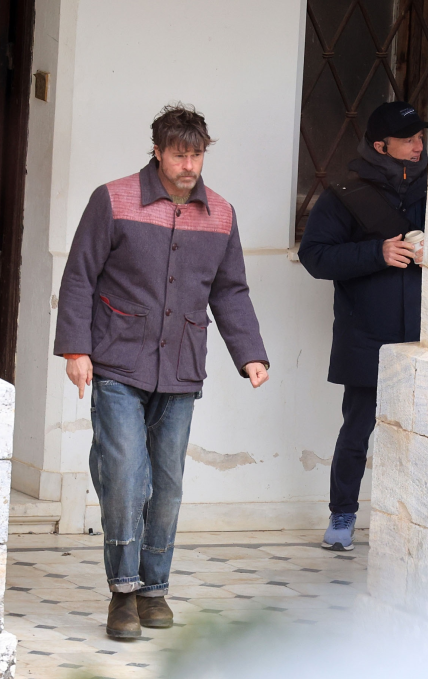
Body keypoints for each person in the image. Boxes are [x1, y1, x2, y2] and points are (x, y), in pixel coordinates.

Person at [53, 103, 270, 639]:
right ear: (157, 151)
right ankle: (123, 593)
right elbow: (80, 276)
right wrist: (75, 348)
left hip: (179, 368)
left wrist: (251, 352)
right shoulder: (114, 199)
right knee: (126, 478)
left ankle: (155, 589)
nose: (188, 165)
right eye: (179, 154)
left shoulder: (220, 213)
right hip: (117, 360)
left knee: (167, 487)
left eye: (196, 155)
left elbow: (229, 289)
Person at [298, 101, 428, 552]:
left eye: (420, 136)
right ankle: (342, 517)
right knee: (357, 431)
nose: (418, 145)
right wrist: (377, 253)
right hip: (367, 336)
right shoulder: (344, 193)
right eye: (408, 139)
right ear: (380, 145)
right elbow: (315, 256)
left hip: (427, 337)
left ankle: (418, 523)